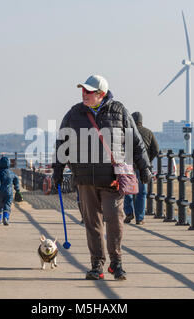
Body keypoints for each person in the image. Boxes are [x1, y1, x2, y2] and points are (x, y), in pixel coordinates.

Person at [52, 75, 152, 281]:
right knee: (92, 224)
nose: (84, 94)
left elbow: (136, 142)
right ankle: (97, 264)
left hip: (112, 179)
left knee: (115, 221)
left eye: (89, 91)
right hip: (85, 180)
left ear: (101, 94)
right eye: (83, 91)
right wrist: (58, 171)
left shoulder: (120, 111)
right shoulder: (74, 113)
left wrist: (145, 169)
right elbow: (62, 142)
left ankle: (116, 263)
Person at [124, 112, 160, 225]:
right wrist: (148, 160)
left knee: (127, 191)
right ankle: (140, 218)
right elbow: (156, 149)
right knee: (142, 192)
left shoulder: (128, 133)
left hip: (129, 165)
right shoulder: (148, 132)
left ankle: (129, 213)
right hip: (143, 167)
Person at [0, 156, 21, 226]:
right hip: (9, 192)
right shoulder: (12, 173)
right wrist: (17, 190)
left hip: (0, 192)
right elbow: (16, 181)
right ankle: (5, 217)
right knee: (7, 205)